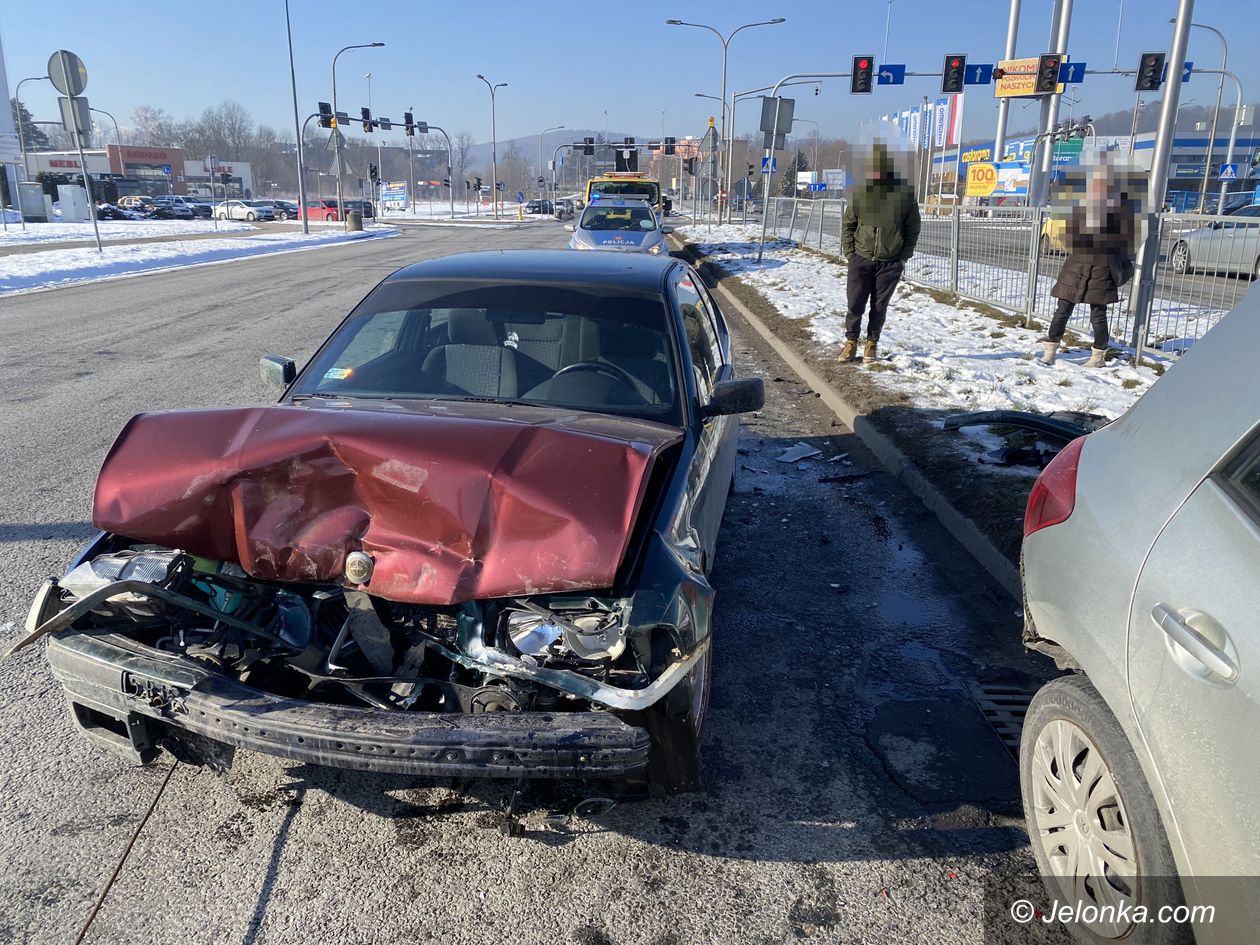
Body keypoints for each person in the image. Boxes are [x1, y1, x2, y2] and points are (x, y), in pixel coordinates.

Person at [1040, 165, 1136, 368]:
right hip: (1077, 267)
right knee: (1062, 310)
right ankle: (1050, 350)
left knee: (1098, 314)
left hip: (1101, 268)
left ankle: (1098, 357)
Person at [840, 142, 921, 364]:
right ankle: (851, 342)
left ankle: (871, 344)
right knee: (855, 303)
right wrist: (851, 253)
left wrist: (903, 256)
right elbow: (848, 224)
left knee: (879, 306)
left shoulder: (905, 197)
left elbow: (913, 228)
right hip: (861, 258)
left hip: (890, 261)